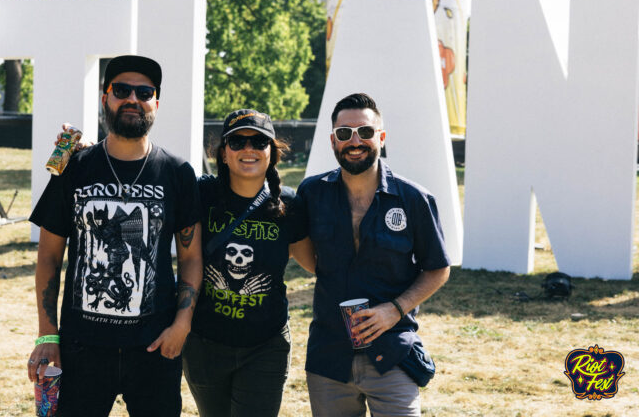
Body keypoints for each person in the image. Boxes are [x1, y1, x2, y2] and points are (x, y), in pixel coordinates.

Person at [26, 55, 203, 417]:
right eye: (121, 90)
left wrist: (181, 325)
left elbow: (191, 257)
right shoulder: (73, 167)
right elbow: (48, 256)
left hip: (155, 347)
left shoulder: (177, 172)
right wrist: (48, 335)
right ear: (105, 97)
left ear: (156, 102)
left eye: (144, 91)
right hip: (82, 347)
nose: (132, 99)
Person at [297, 93, 450, 416]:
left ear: (381, 137)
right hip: (329, 357)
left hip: (392, 353)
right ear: (332, 141)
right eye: (344, 133)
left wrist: (394, 310)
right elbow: (308, 257)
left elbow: (437, 268)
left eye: (365, 132)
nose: (355, 141)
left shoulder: (414, 199)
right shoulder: (312, 193)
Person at [182, 109, 316, 417]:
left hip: (265, 345)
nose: (248, 149)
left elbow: (315, 264)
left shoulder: (289, 205)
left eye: (259, 141)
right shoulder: (202, 194)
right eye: (237, 141)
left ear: (271, 153)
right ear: (223, 153)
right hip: (205, 342)